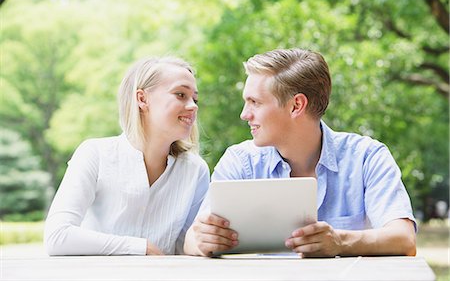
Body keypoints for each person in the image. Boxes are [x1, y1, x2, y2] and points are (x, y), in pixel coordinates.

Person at [184, 48, 417, 257]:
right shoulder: (241, 161)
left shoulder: (367, 157)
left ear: (296, 105)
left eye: (255, 102)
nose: (245, 114)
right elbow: (192, 240)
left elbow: (404, 239)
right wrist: (203, 241)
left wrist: (340, 242)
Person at [44, 56, 210, 256]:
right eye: (181, 94)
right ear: (142, 99)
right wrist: (141, 248)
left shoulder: (196, 170)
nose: (193, 106)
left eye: (195, 98)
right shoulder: (95, 154)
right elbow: (57, 236)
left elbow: (186, 247)